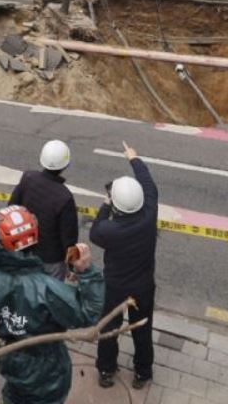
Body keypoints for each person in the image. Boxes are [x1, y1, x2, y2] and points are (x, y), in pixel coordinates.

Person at [0, 205, 105, 404]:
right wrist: (87, 272)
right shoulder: (48, 289)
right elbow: (89, 314)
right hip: (49, 373)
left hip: (12, 363)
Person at [90, 141, 158, 390]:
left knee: (109, 328)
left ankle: (106, 369)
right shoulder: (150, 214)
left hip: (116, 287)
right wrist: (134, 158)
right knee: (143, 329)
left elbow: (94, 232)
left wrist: (104, 205)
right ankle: (143, 372)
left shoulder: (109, 230)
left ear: (116, 205)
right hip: (143, 286)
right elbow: (149, 183)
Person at [8, 139, 78, 280]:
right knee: (49, 297)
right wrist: (72, 266)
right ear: (66, 164)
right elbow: (69, 239)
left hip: (25, 250)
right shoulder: (65, 197)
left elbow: (11, 209)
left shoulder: (28, 178)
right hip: (51, 260)